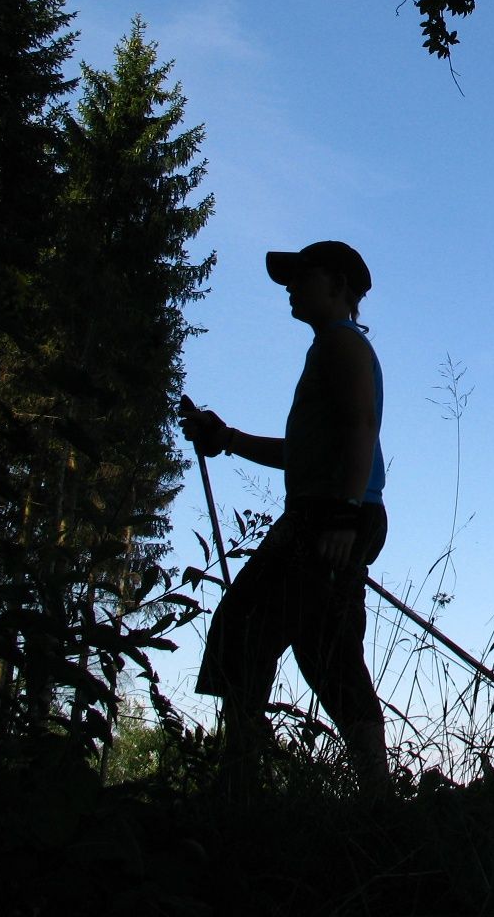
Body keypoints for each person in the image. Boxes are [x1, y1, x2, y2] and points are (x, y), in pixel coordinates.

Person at [181, 239, 392, 792]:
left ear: (338, 286)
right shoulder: (332, 347)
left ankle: (242, 780)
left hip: (330, 516)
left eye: (303, 276)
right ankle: (376, 795)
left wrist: (343, 516)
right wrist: (227, 439)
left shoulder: (340, 345)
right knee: (320, 649)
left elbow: (361, 427)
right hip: (333, 513)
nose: (291, 288)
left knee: (246, 628)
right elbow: (305, 451)